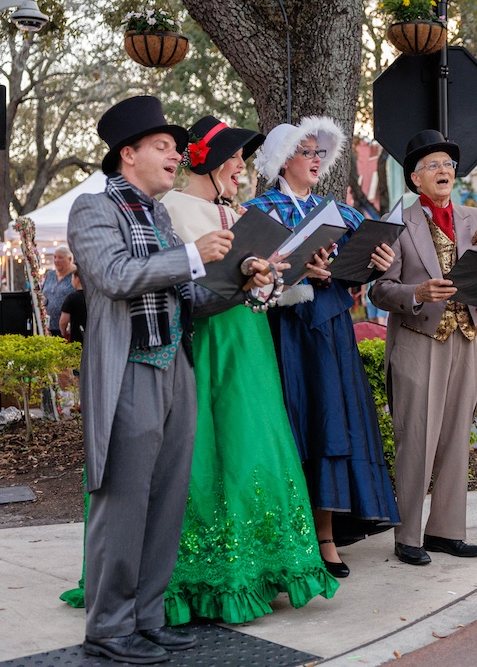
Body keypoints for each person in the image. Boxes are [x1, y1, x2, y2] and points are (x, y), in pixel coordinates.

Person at [67, 95, 273, 664]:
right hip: (129, 369)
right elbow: (112, 276)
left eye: (176, 149)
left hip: (174, 369)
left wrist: (242, 282)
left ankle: (147, 619)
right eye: (163, 147)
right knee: (124, 503)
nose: (175, 156)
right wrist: (190, 256)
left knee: (166, 505)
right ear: (126, 155)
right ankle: (109, 629)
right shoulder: (93, 209)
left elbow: (190, 302)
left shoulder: (159, 216)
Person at [161, 116, 339, 619]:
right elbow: (189, 283)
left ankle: (259, 565)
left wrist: (288, 268)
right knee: (215, 449)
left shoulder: (236, 211)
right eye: (235, 157)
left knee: (256, 445)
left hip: (249, 339)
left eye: (242, 157)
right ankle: (211, 572)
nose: (242, 166)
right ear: (210, 161)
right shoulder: (174, 206)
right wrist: (244, 271)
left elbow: (259, 292)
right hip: (211, 341)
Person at [245, 116, 401, 576]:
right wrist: (296, 273)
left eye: (319, 153)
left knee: (331, 425)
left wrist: (378, 261)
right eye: (305, 152)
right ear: (282, 161)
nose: (316, 160)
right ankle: (292, 536)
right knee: (294, 427)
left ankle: (327, 535)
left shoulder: (341, 212)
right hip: (284, 335)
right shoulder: (262, 211)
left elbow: (354, 269)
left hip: (332, 332)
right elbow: (248, 279)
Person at [368, 129, 477, 566]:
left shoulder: (474, 219)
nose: (444, 171)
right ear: (415, 179)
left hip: (466, 338)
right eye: (433, 165)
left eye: (448, 165)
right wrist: (418, 293)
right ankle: (408, 535)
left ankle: (446, 531)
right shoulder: (399, 223)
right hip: (419, 341)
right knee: (416, 437)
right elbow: (380, 290)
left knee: (456, 439)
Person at [42, 246, 77, 336]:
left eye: (60, 257)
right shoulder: (50, 275)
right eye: (55, 257)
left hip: (67, 328)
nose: (56, 260)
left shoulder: (75, 275)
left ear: (69, 259)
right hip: (48, 326)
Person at [59, 271, 86, 345]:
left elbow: (63, 321)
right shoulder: (93, 297)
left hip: (77, 339)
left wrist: (63, 332)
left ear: (77, 279)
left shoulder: (72, 297)